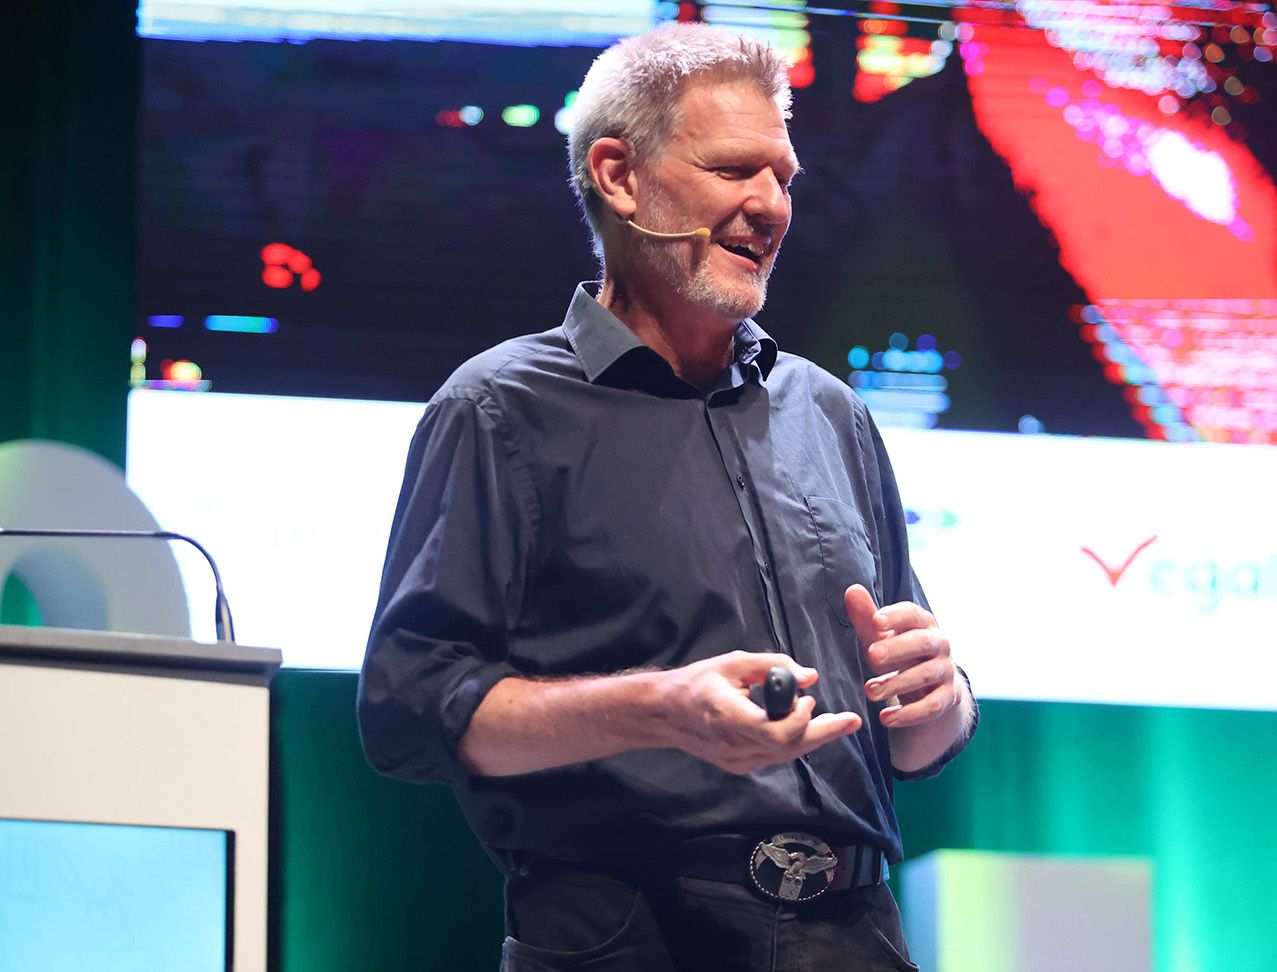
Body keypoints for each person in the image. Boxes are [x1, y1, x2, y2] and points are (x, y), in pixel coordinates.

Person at [358, 22, 977, 971]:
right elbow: (410, 708)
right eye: (735, 170)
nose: (770, 206)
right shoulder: (500, 411)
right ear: (618, 175)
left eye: (784, 177)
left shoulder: (831, 413)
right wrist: (659, 709)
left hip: (856, 931)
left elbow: (911, 725)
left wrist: (943, 704)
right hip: (629, 935)